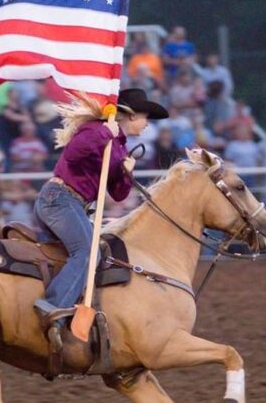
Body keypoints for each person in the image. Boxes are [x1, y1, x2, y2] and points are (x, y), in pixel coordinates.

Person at [32, 89, 169, 342]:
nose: (147, 123)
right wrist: (108, 132)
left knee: (91, 252)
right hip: (61, 199)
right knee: (88, 252)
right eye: (145, 117)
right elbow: (73, 153)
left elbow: (118, 193)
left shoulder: (119, 146)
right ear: (129, 115)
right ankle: (52, 308)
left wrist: (127, 172)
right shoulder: (98, 130)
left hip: (70, 203)